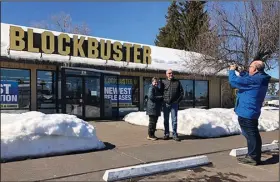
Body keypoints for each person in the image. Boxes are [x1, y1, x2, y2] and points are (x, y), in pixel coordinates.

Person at [228, 60, 271, 166]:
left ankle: (253, 157)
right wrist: (241, 71)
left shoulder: (255, 80)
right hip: (250, 111)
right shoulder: (260, 78)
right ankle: (253, 155)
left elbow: (234, 82)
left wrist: (232, 71)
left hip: (247, 112)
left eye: (250, 66)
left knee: (251, 135)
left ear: (255, 69)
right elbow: (247, 78)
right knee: (252, 135)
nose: (248, 68)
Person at [160, 69, 184, 141]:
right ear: (166, 74)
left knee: (174, 120)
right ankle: (166, 134)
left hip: (174, 104)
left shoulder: (177, 82)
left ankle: (174, 134)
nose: (171, 74)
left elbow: (182, 93)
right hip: (166, 104)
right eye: (169, 73)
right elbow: (160, 93)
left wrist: (177, 101)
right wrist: (162, 101)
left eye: (172, 73)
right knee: (166, 120)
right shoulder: (163, 82)